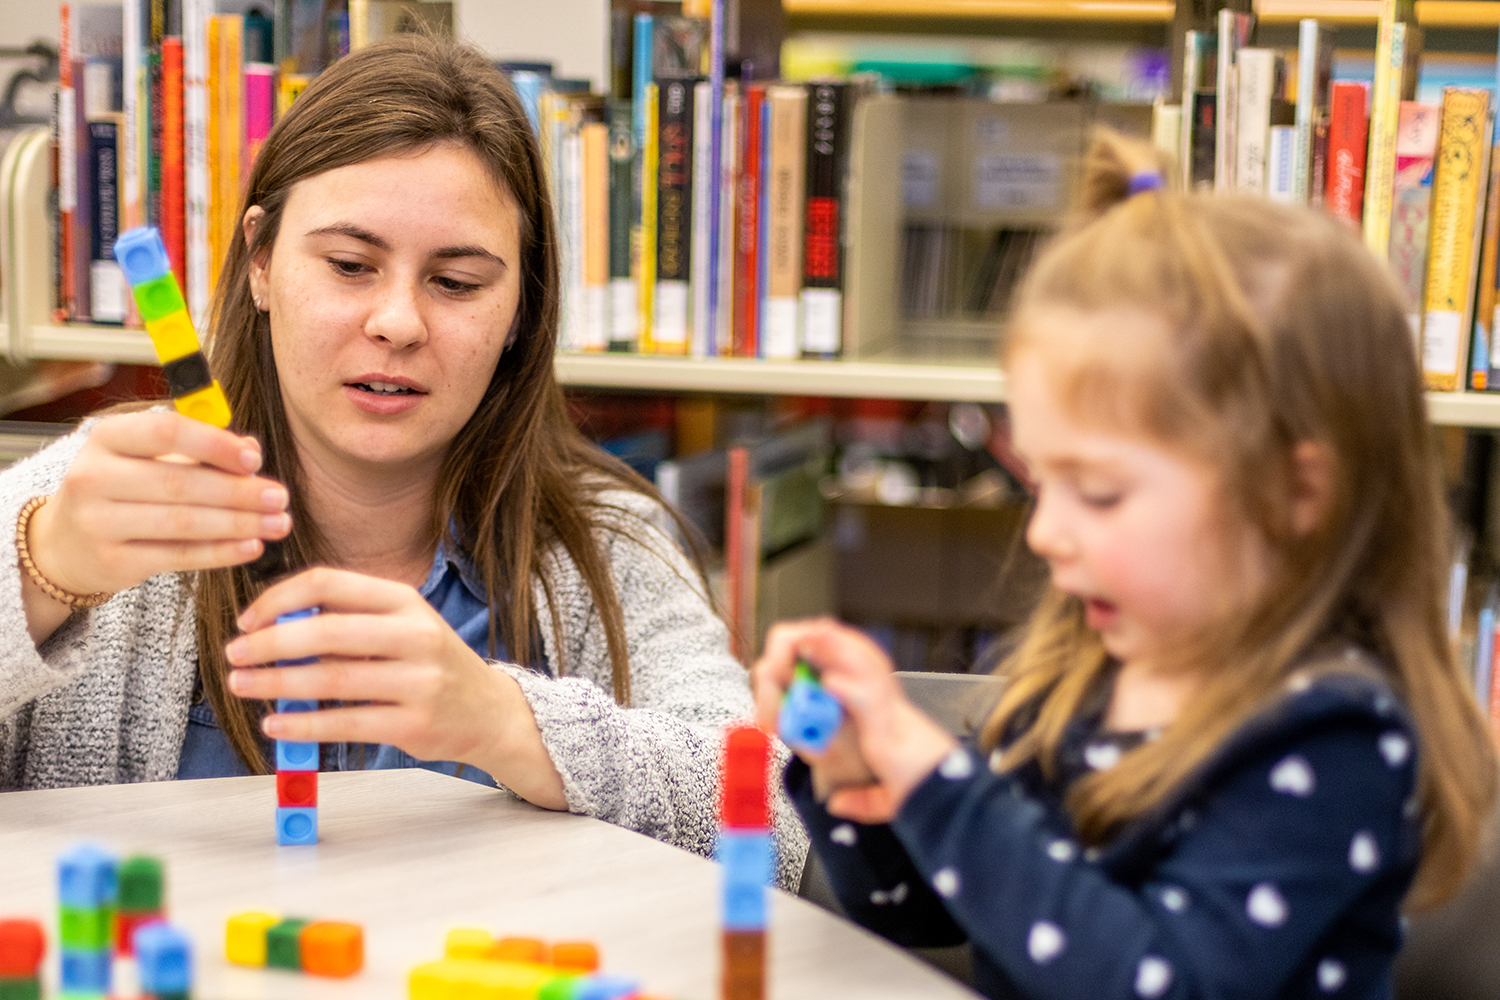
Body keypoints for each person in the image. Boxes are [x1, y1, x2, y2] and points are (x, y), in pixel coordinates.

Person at [0, 34, 806, 889]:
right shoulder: (99, 493)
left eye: (456, 282)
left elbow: (775, 825)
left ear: (522, 309)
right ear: (262, 261)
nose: (398, 322)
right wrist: (43, 576)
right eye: (350, 265)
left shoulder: (609, 548)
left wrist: (502, 721)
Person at [753, 129, 1498, 998]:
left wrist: (933, 779)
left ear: (1296, 494)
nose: (1043, 534)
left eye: (1099, 493)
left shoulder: (1332, 735)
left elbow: (1151, 982)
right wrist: (851, 771)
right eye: (1040, 482)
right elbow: (928, 909)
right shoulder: (1082, 682)